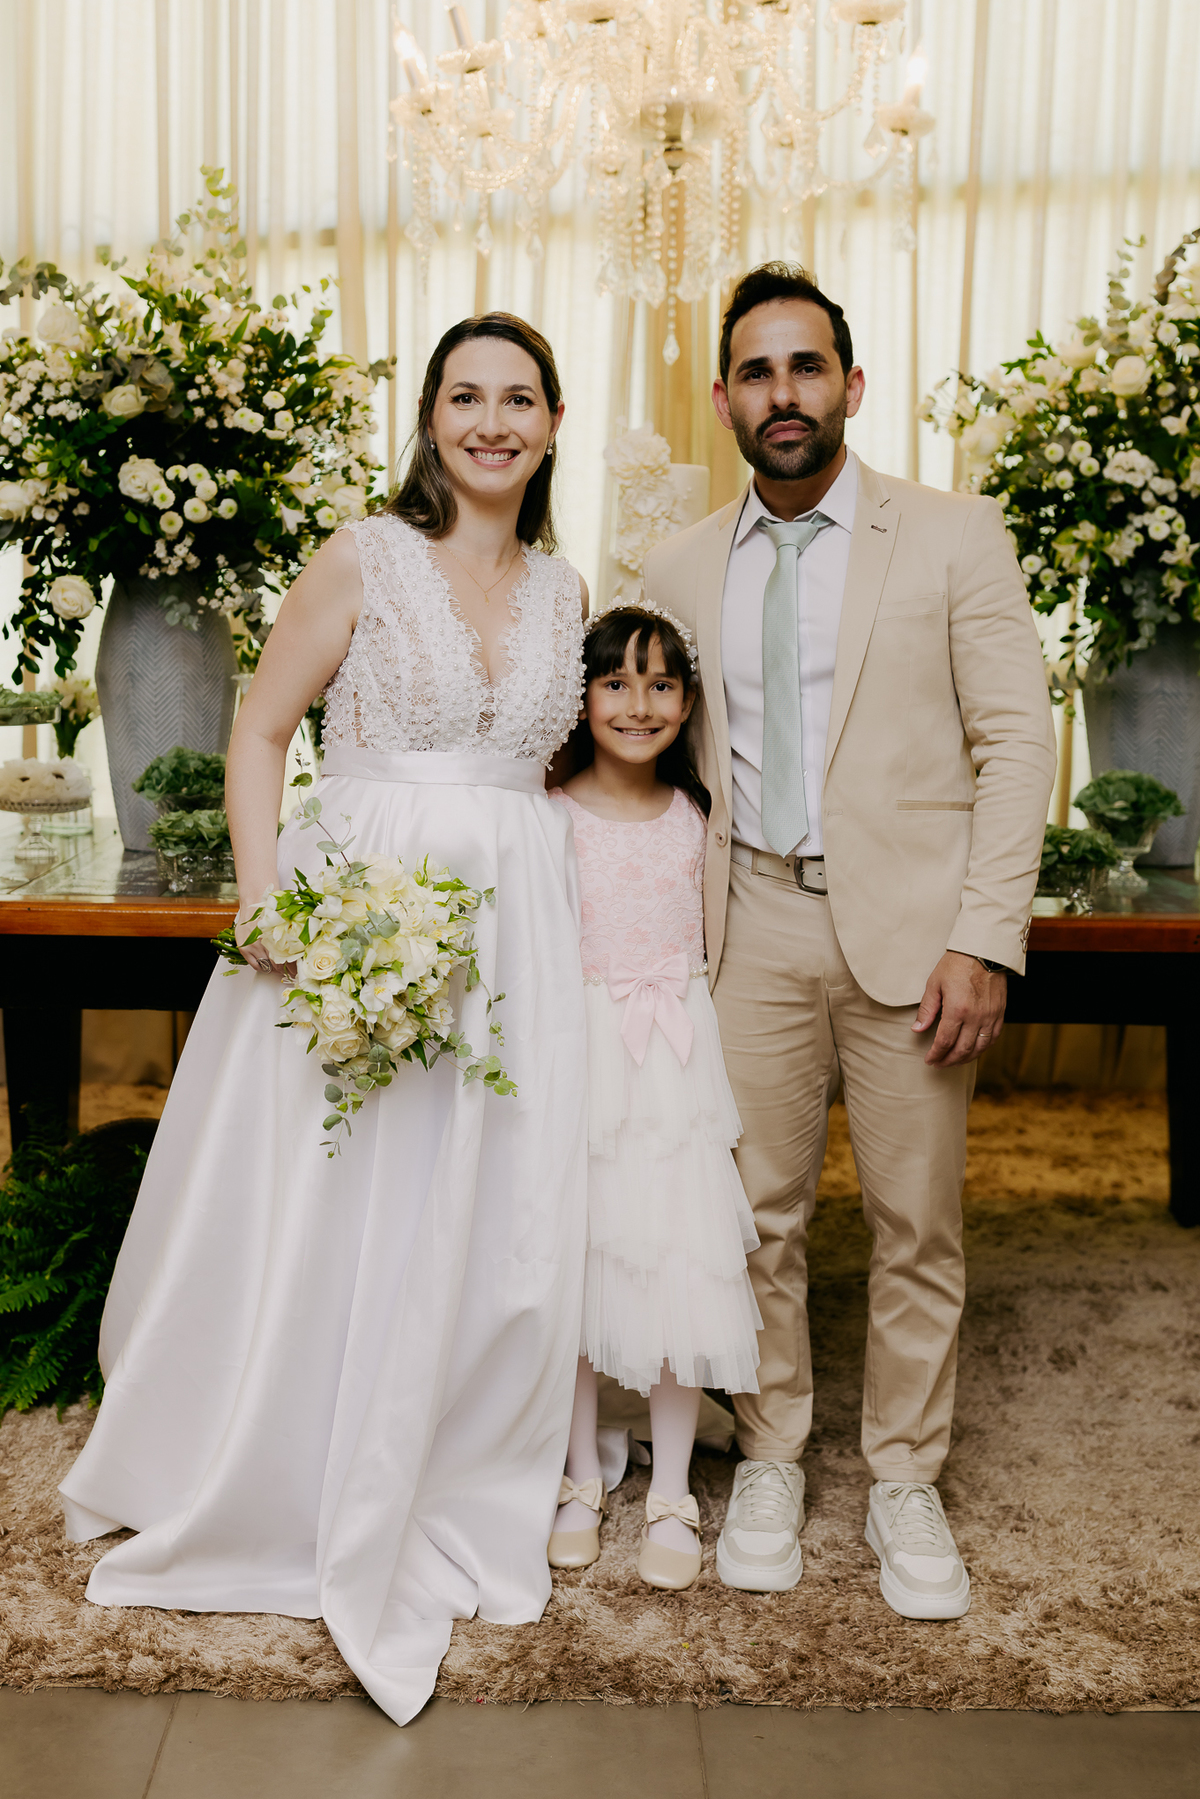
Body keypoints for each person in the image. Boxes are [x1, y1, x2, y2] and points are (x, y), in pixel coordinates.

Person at [59, 312, 591, 1725]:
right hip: (359, 900)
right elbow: (260, 727)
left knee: (487, 1197)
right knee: (336, 1186)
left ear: (554, 423)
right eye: (465, 396)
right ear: (430, 419)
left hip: (515, 929)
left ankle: (453, 1447)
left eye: (519, 398)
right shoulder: (365, 555)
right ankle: (282, 1449)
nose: (492, 421)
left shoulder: (568, 586)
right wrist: (264, 897)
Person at [642, 263, 1057, 1619]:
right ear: (723, 400)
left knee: (915, 1219)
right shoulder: (677, 566)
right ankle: (771, 1449)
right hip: (745, 920)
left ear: (851, 385)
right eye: (756, 371)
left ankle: (904, 1474)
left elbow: (1017, 742)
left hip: (919, 933)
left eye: (806, 366)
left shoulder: (953, 535)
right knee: (751, 1214)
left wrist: (986, 936)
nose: (784, 393)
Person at [546, 604, 761, 1591]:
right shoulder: (548, 814)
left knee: (680, 1259)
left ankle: (671, 1488)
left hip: (675, 1059)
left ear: (688, 699)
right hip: (581, 1052)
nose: (639, 705)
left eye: (661, 683)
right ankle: (579, 1473)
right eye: (616, 683)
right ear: (582, 697)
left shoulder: (700, 818)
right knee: (578, 1258)